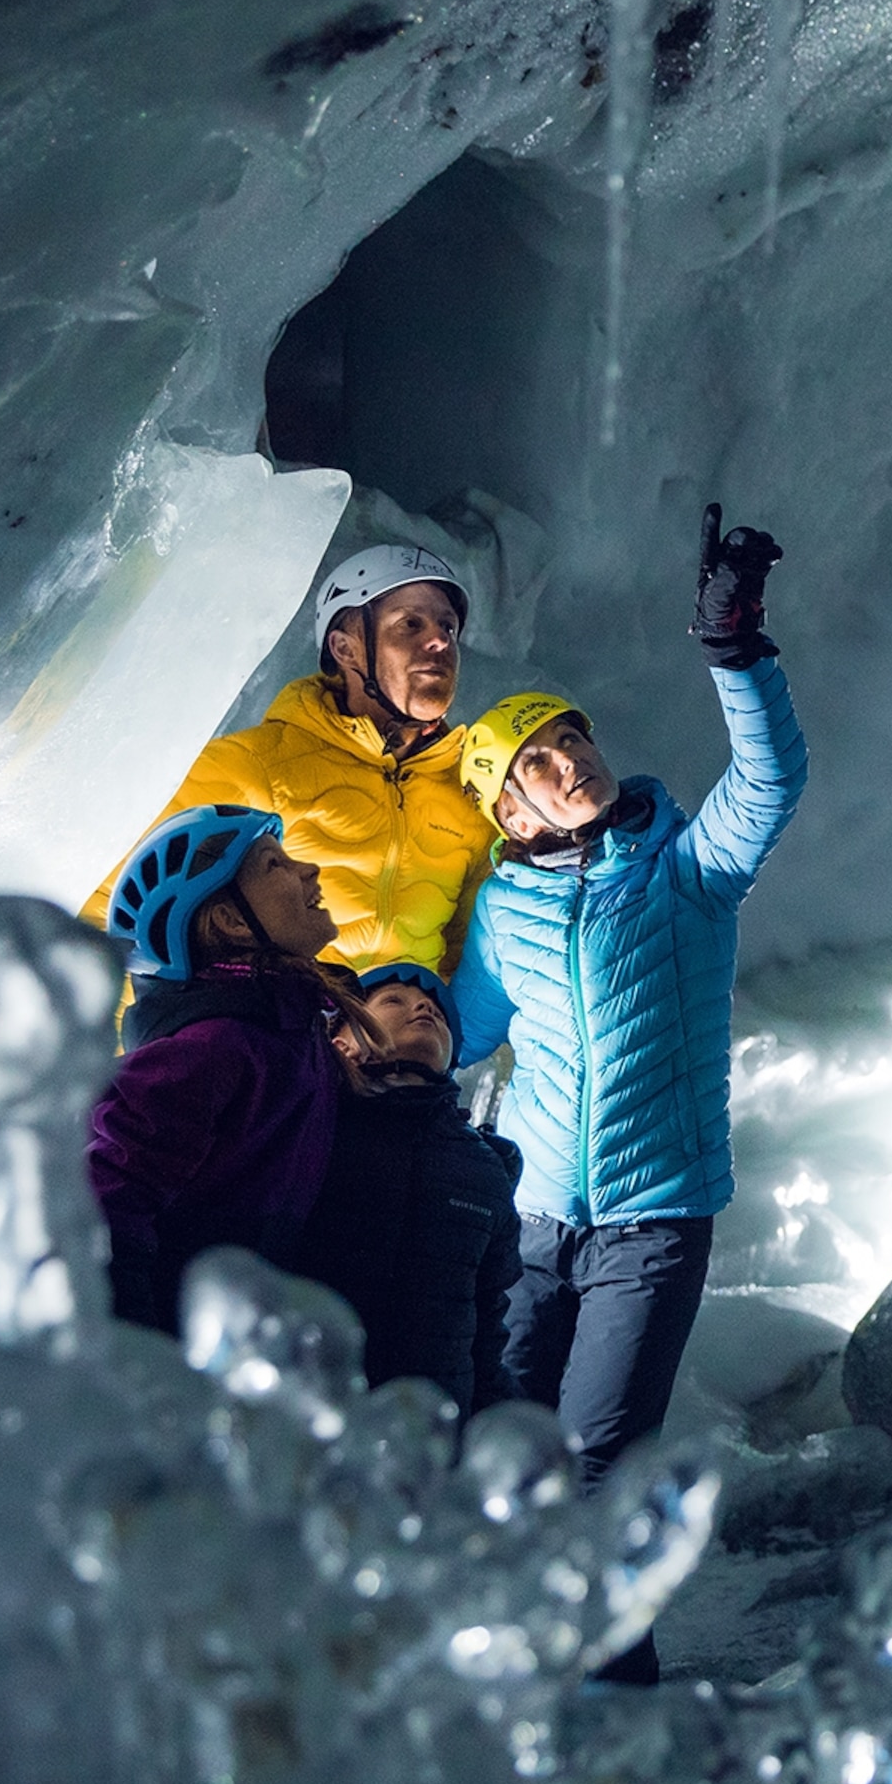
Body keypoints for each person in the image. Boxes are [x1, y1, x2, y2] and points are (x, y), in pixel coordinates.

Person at [451, 507, 804, 1679]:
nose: (570, 761)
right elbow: (456, 1032)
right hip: (534, 1224)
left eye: (572, 737)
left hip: (653, 1226)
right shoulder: (504, 912)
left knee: (599, 1469)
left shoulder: (686, 873)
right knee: (505, 1462)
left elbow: (770, 779)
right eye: (538, 762)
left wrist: (734, 649)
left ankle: (621, 1728)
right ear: (512, 810)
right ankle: (533, 1699)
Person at [85, 545, 503, 973]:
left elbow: (470, 959)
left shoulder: (471, 794)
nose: (438, 641)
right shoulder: (253, 767)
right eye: (409, 624)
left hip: (401, 1036)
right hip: (281, 1034)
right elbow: (124, 913)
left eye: (448, 628)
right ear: (346, 649)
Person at [86, 804, 371, 1335]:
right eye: (273, 866)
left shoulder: (291, 1032)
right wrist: (140, 1355)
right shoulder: (210, 1050)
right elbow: (105, 1205)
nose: (307, 871)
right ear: (232, 921)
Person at [282, 963, 527, 1415]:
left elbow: (487, 1326)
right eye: (392, 1001)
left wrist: (495, 1418)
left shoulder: (484, 1168)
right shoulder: (307, 1125)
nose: (421, 1007)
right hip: (306, 1414)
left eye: (434, 1008)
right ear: (343, 1043)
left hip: (427, 1434)